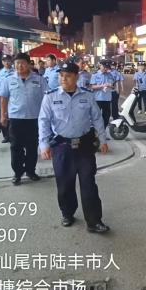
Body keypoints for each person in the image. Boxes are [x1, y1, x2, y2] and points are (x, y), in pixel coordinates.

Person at [39, 61, 110, 233]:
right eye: (61, 76)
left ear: (77, 77)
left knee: (89, 183)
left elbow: (97, 118)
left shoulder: (87, 95)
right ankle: (67, 213)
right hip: (62, 147)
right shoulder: (50, 96)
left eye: (68, 76)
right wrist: (44, 144)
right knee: (64, 184)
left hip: (84, 146)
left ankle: (94, 221)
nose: (63, 79)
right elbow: (43, 121)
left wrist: (103, 140)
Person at [0, 52, 48, 185]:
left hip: (34, 119)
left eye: (23, 63)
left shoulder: (40, 80)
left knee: (32, 147)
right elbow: (3, 98)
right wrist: (3, 115)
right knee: (16, 147)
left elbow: (47, 99)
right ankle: (17, 173)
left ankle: (30, 171)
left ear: (29, 64)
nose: (20, 66)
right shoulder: (8, 80)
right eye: (17, 63)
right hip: (16, 119)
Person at [90, 60, 115, 130]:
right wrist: (102, 86)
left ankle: (102, 130)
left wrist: (110, 85)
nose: (105, 69)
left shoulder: (110, 75)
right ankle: (95, 131)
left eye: (107, 67)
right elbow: (92, 87)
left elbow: (113, 86)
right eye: (104, 67)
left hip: (107, 98)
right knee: (96, 116)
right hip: (98, 98)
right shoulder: (95, 75)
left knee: (106, 116)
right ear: (100, 65)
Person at [0, 54, 14, 143]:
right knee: (3, 115)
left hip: (13, 98)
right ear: (2, 62)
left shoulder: (15, 72)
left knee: (12, 116)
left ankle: (12, 135)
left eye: (8, 60)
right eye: (5, 61)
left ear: (11, 61)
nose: (7, 62)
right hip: (2, 98)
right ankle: (6, 136)